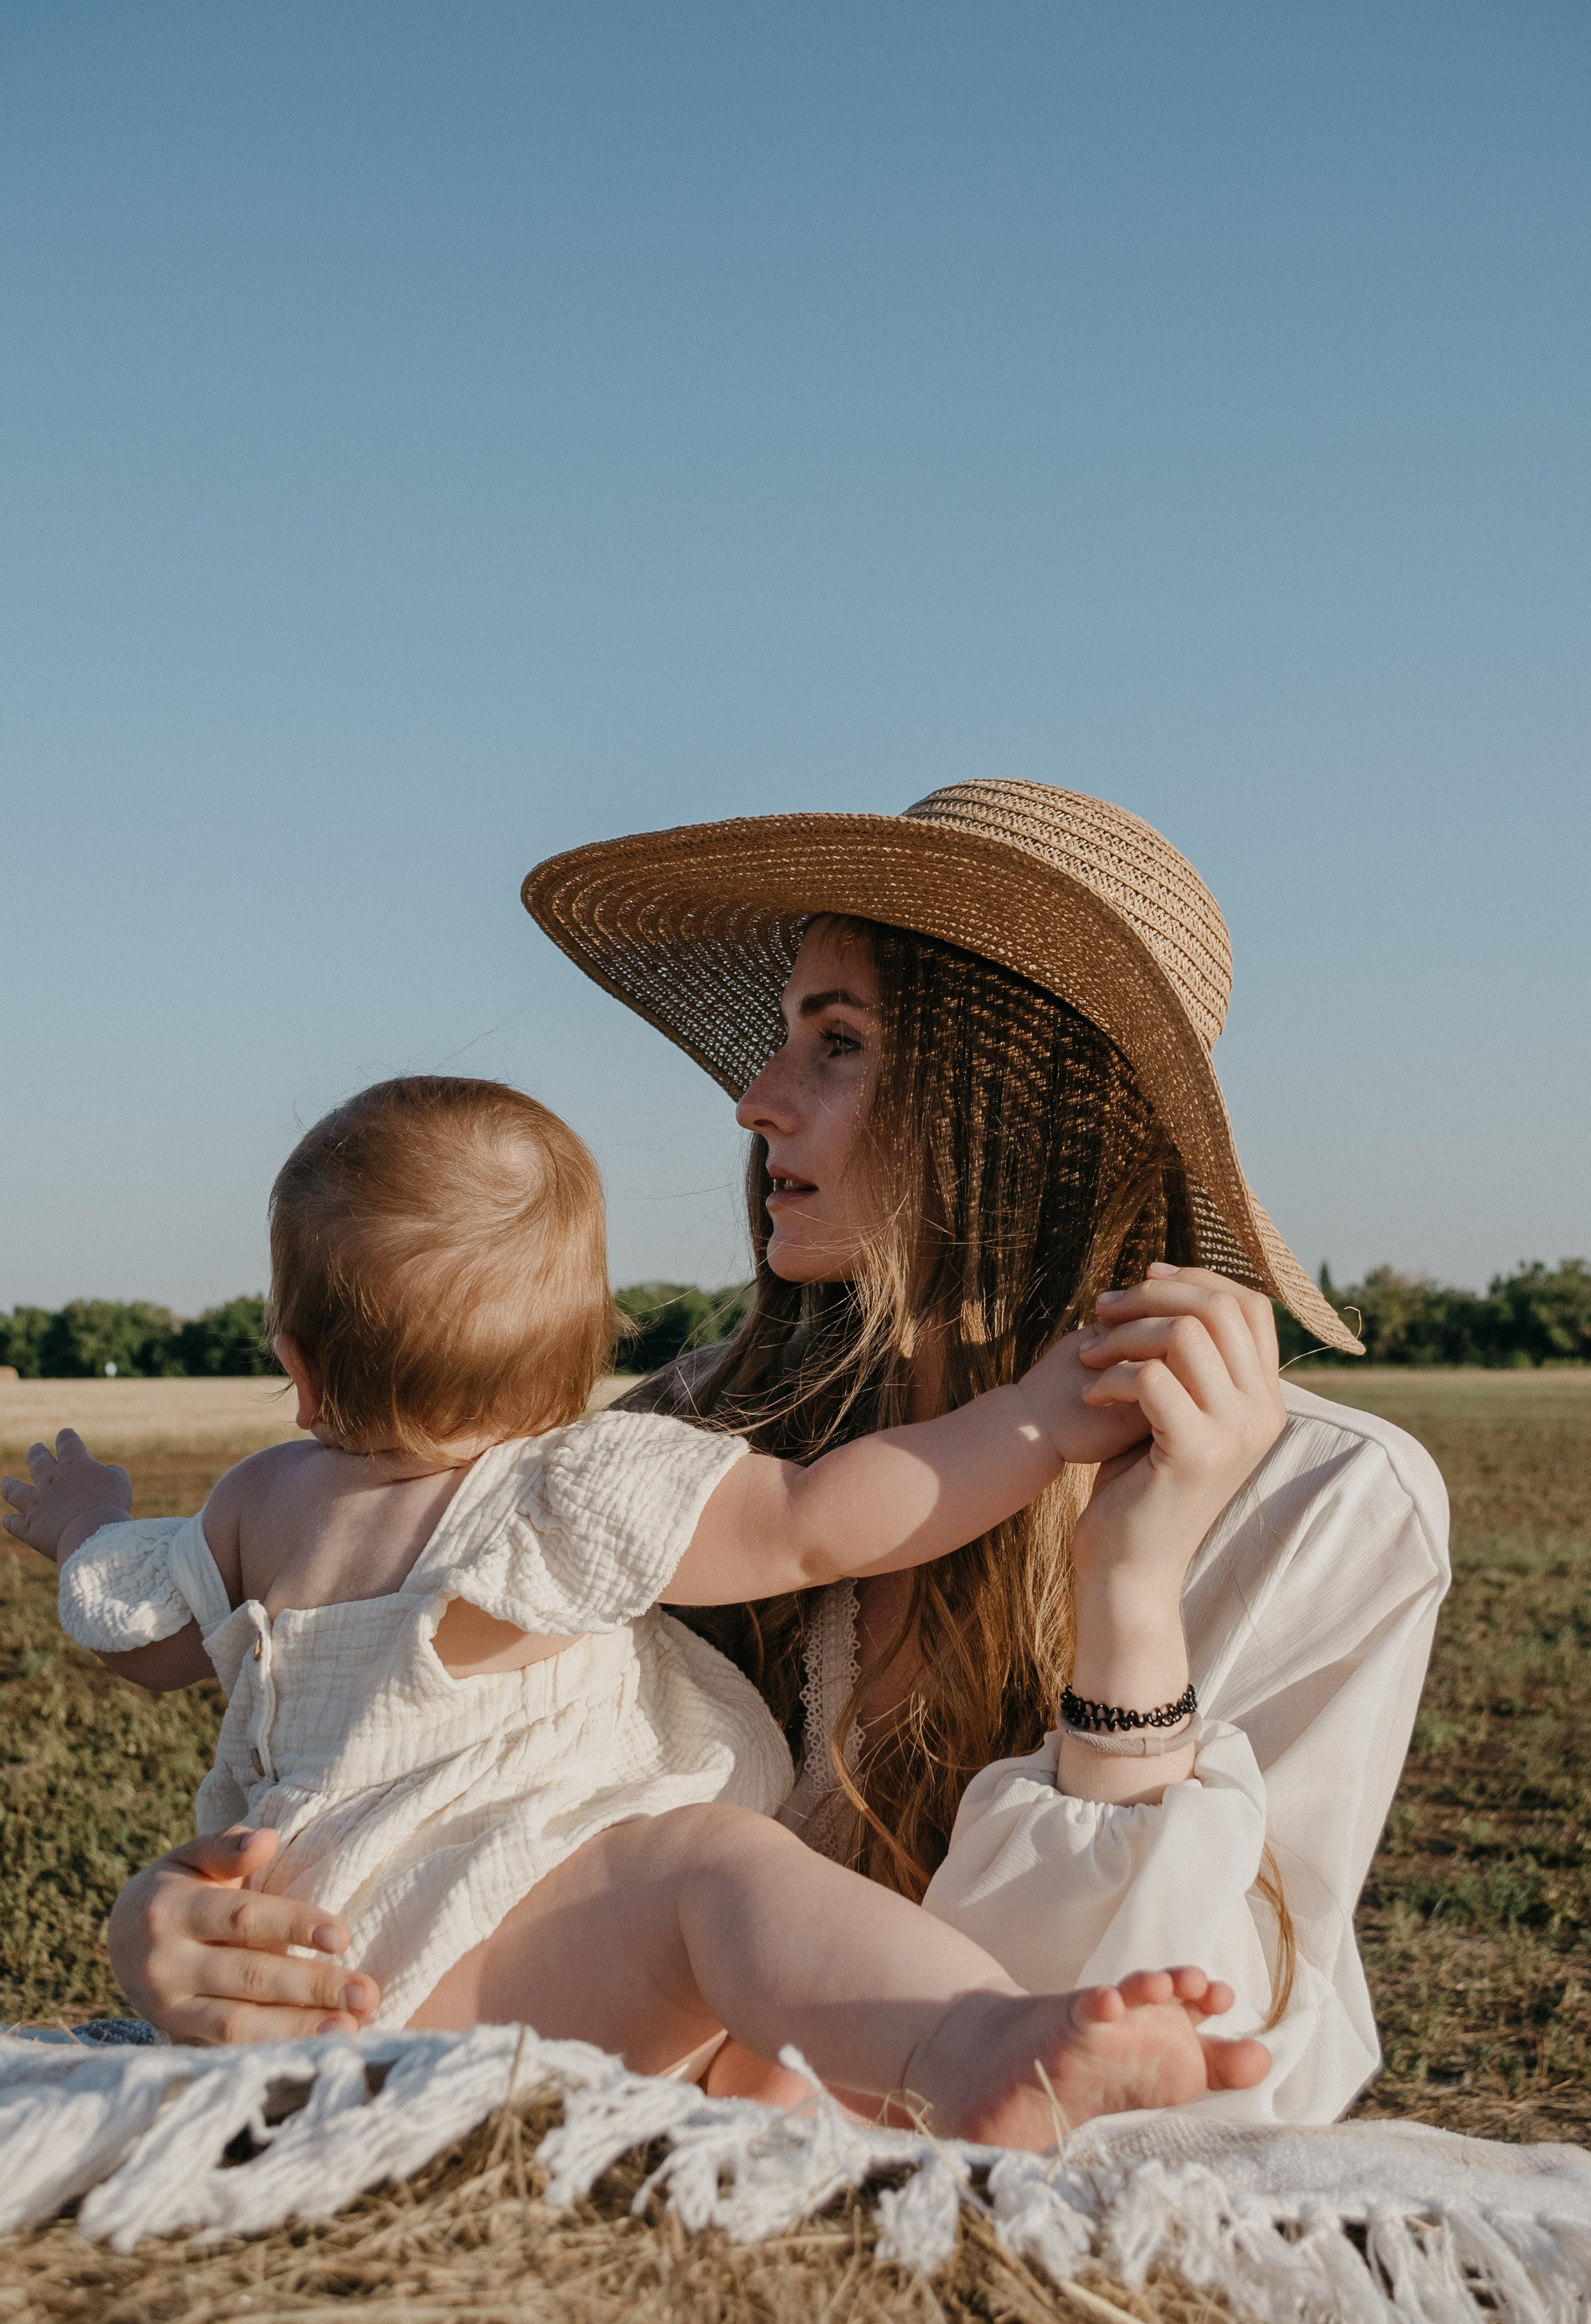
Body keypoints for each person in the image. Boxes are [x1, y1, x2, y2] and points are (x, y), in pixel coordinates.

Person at [97, 778, 1449, 2123]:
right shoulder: (669, 1445)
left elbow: (1214, 2087)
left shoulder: (1327, 1508)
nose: (754, 1101)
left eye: (837, 1041)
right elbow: (410, 1770)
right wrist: (184, 1925)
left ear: (1023, 1105)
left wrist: (1133, 1603)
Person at [5, 1073, 1269, 2146]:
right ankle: (976, 2041)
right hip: (482, 1953)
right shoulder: (566, 1489)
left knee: (758, 2053)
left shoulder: (260, 1504)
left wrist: (82, 1522)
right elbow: (824, 1515)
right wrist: (1044, 1416)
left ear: (295, 1360)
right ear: (585, 1344)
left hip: (323, 1965)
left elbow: (146, 1637)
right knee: (712, 1878)